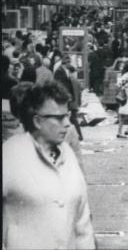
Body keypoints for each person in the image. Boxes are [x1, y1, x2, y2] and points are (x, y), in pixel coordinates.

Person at [2, 81, 95, 249]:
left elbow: (83, 224)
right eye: (59, 117)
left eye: (67, 115)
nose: (67, 123)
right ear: (37, 121)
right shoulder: (9, 155)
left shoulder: (68, 155)